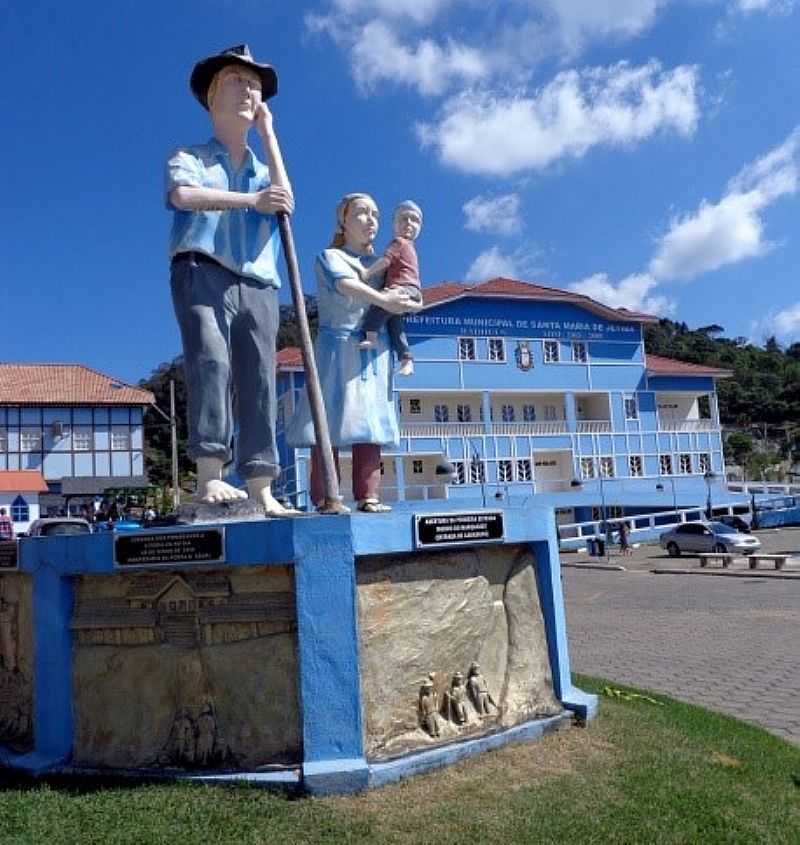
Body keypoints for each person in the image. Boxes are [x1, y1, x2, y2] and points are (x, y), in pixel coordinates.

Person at [166, 45, 296, 515]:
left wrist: (268, 134)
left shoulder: (263, 170)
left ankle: (261, 481)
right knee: (211, 363)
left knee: (260, 377)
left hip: (258, 281)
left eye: (254, 83)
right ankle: (210, 476)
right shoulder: (192, 155)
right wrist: (249, 202)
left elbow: (284, 201)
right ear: (212, 95)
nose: (248, 89)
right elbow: (182, 195)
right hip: (202, 269)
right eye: (236, 80)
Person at [286, 193, 420, 512]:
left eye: (375, 213)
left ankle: (369, 494)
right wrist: (385, 300)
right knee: (328, 421)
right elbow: (346, 285)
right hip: (338, 347)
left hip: (375, 349)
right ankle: (326, 496)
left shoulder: (383, 263)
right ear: (343, 220)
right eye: (361, 213)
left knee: (371, 423)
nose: (370, 219)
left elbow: (404, 292)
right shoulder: (331, 257)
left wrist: (407, 308)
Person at [357, 201, 424, 376]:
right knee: (396, 325)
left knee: (378, 305)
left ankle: (370, 336)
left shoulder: (398, 242)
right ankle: (406, 359)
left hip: (401, 288)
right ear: (395, 224)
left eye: (414, 220)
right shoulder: (412, 248)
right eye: (404, 219)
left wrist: (367, 272)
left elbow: (386, 260)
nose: (409, 223)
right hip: (413, 291)